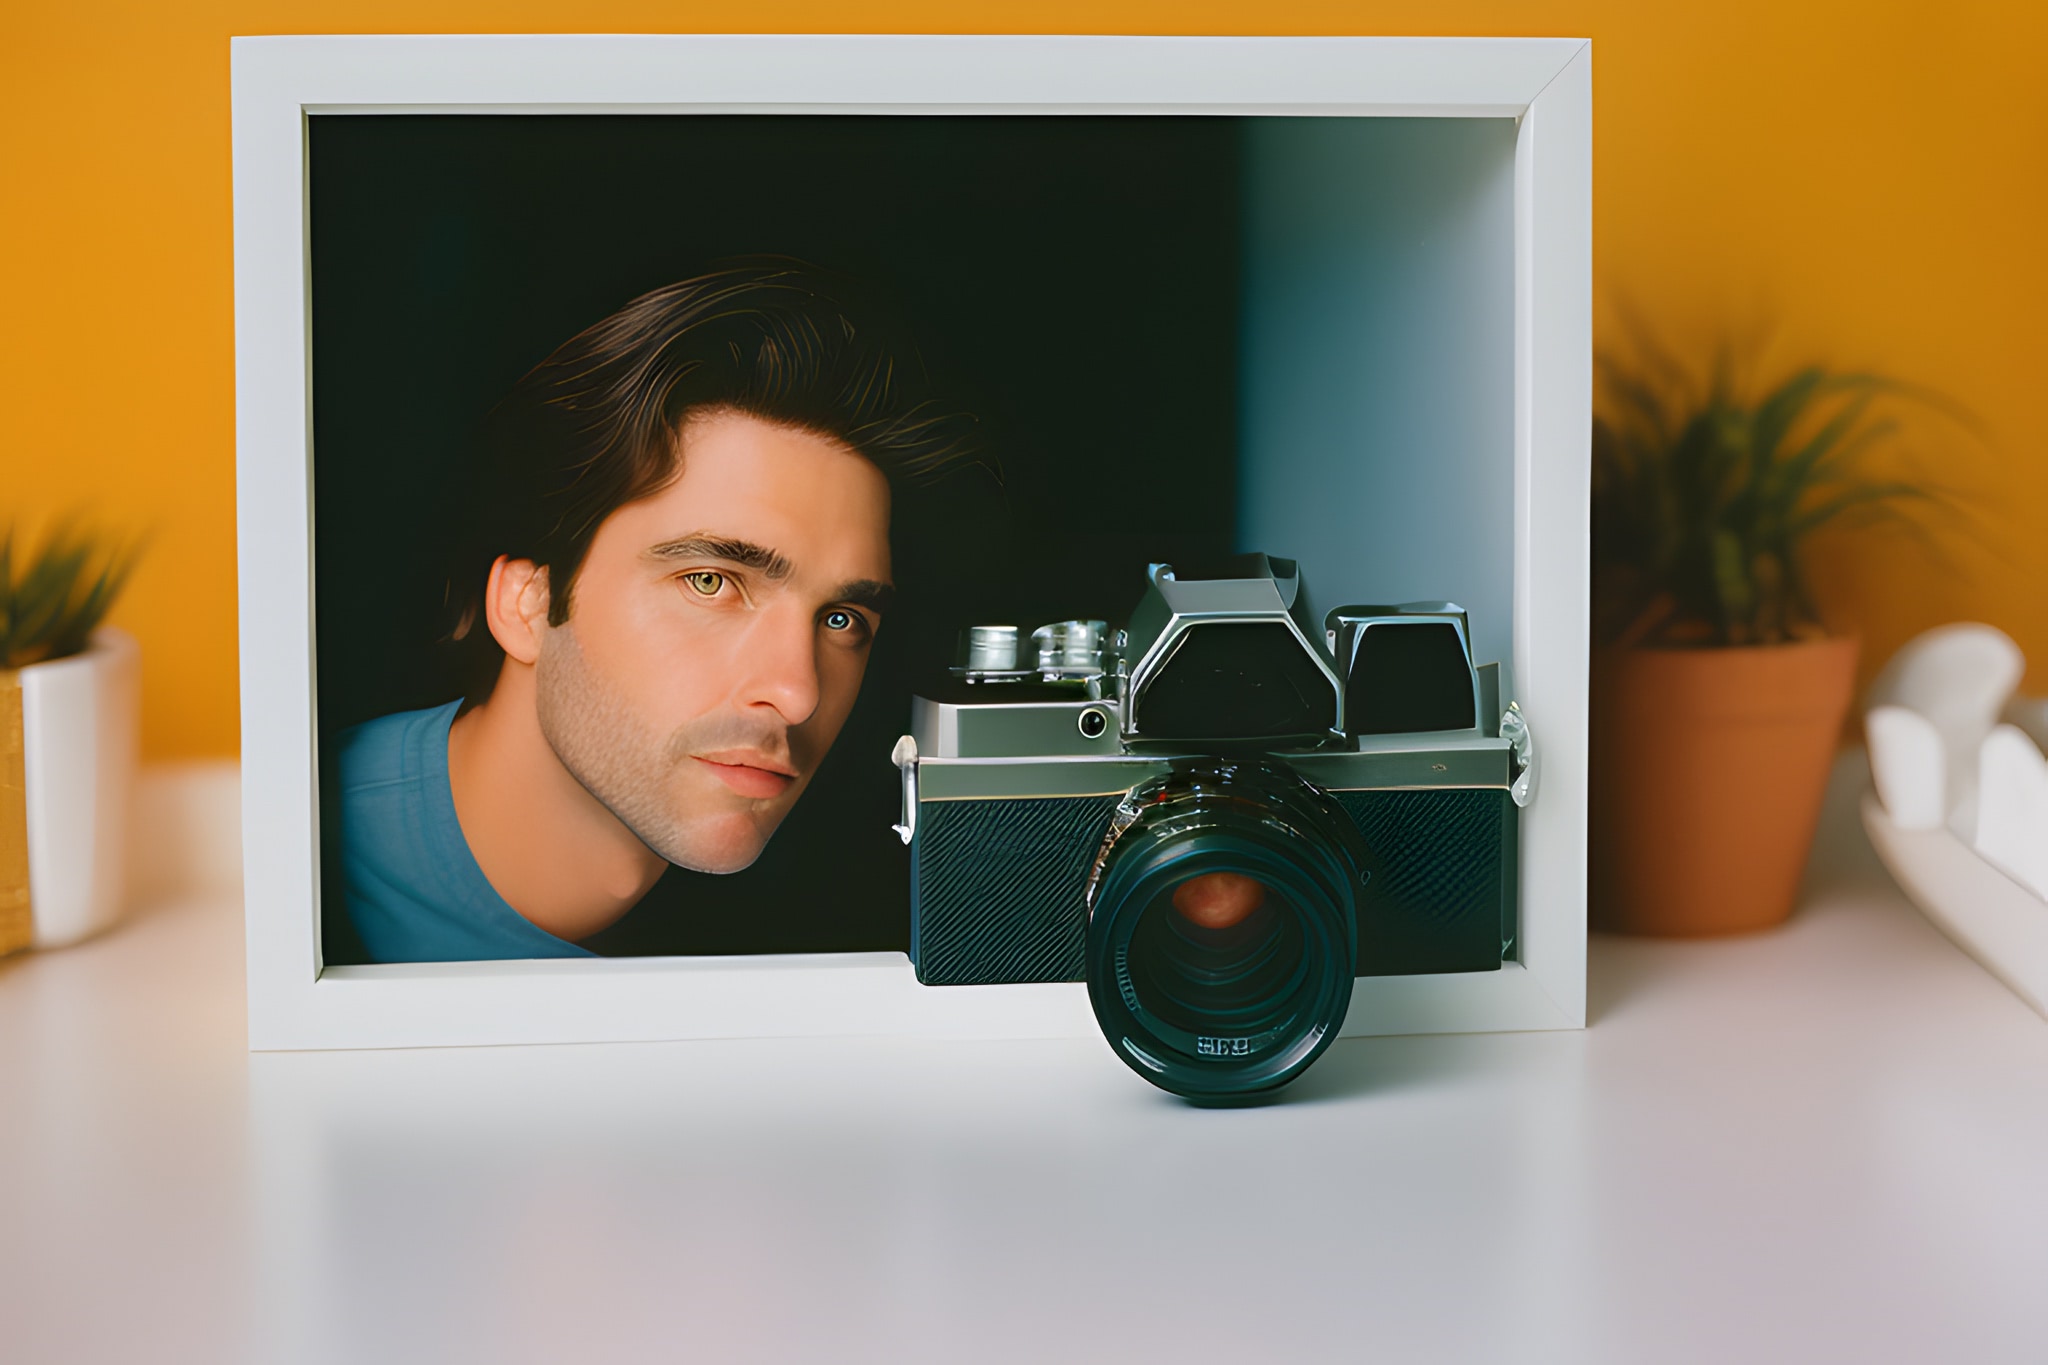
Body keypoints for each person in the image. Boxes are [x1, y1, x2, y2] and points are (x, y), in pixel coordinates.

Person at [333, 262, 974, 962]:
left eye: (842, 618)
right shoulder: (288, 875)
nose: (797, 694)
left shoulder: (829, 946)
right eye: (710, 581)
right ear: (527, 604)